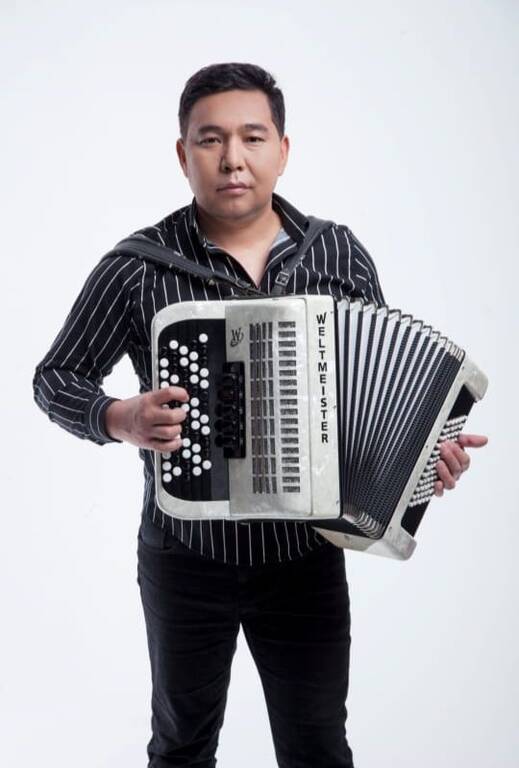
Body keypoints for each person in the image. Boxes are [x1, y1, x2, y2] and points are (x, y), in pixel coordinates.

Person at [32, 62, 488, 768]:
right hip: (185, 556)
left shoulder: (337, 253)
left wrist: (428, 459)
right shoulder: (137, 267)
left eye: (252, 137)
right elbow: (55, 376)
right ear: (183, 154)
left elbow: (377, 398)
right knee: (181, 746)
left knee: (317, 748)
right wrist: (118, 416)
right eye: (210, 139)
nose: (232, 158)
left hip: (303, 558)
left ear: (283, 149)